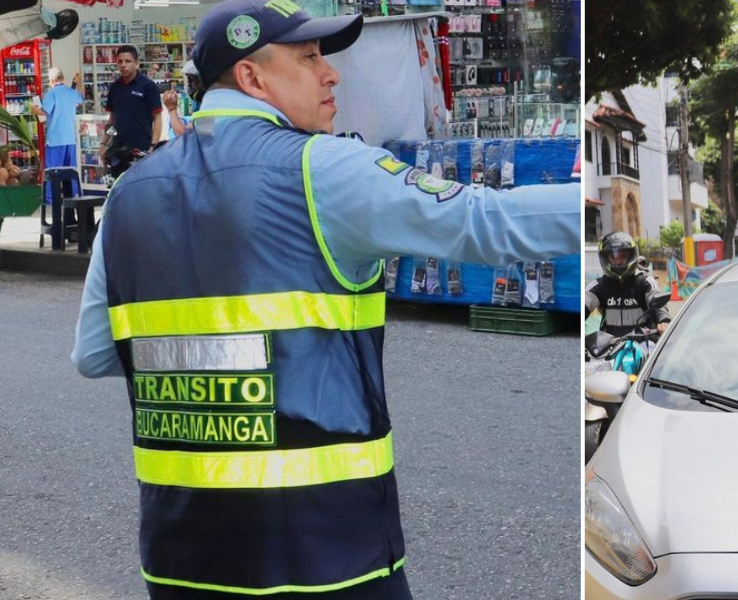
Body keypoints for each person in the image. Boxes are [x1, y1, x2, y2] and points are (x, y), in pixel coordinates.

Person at [69, 0, 579, 597]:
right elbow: (485, 222)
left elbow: (95, 355)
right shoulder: (325, 169)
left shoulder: (130, 193)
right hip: (328, 554)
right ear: (251, 78)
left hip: (180, 556)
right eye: (309, 57)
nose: (331, 73)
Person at [586, 231, 670, 338]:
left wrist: (664, 320)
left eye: (622, 256)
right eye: (613, 257)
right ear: (606, 259)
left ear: (631, 256)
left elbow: (657, 299)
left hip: (643, 345)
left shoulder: (645, 281)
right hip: (609, 347)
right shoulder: (599, 285)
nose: (618, 261)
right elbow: (586, 299)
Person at [100, 44, 163, 175]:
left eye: (128, 61)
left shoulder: (148, 87)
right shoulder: (114, 88)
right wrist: (103, 144)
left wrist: (153, 147)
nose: (123, 65)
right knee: (118, 190)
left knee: (140, 191)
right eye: (120, 61)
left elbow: (157, 119)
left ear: (137, 63)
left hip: (141, 151)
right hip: (117, 151)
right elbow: (112, 120)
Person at [31, 67, 83, 206]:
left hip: (55, 140)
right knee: (71, 171)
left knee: (52, 172)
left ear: (50, 80)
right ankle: (74, 197)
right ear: (62, 78)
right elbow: (80, 99)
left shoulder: (52, 94)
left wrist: (33, 108)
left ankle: (50, 200)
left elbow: (44, 111)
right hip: (70, 139)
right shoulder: (71, 92)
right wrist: (78, 84)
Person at [164, 61, 204, 140]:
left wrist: (172, 109)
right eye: (189, 80)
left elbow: (184, 137)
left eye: (192, 80)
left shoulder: (211, 105)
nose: (190, 85)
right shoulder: (201, 103)